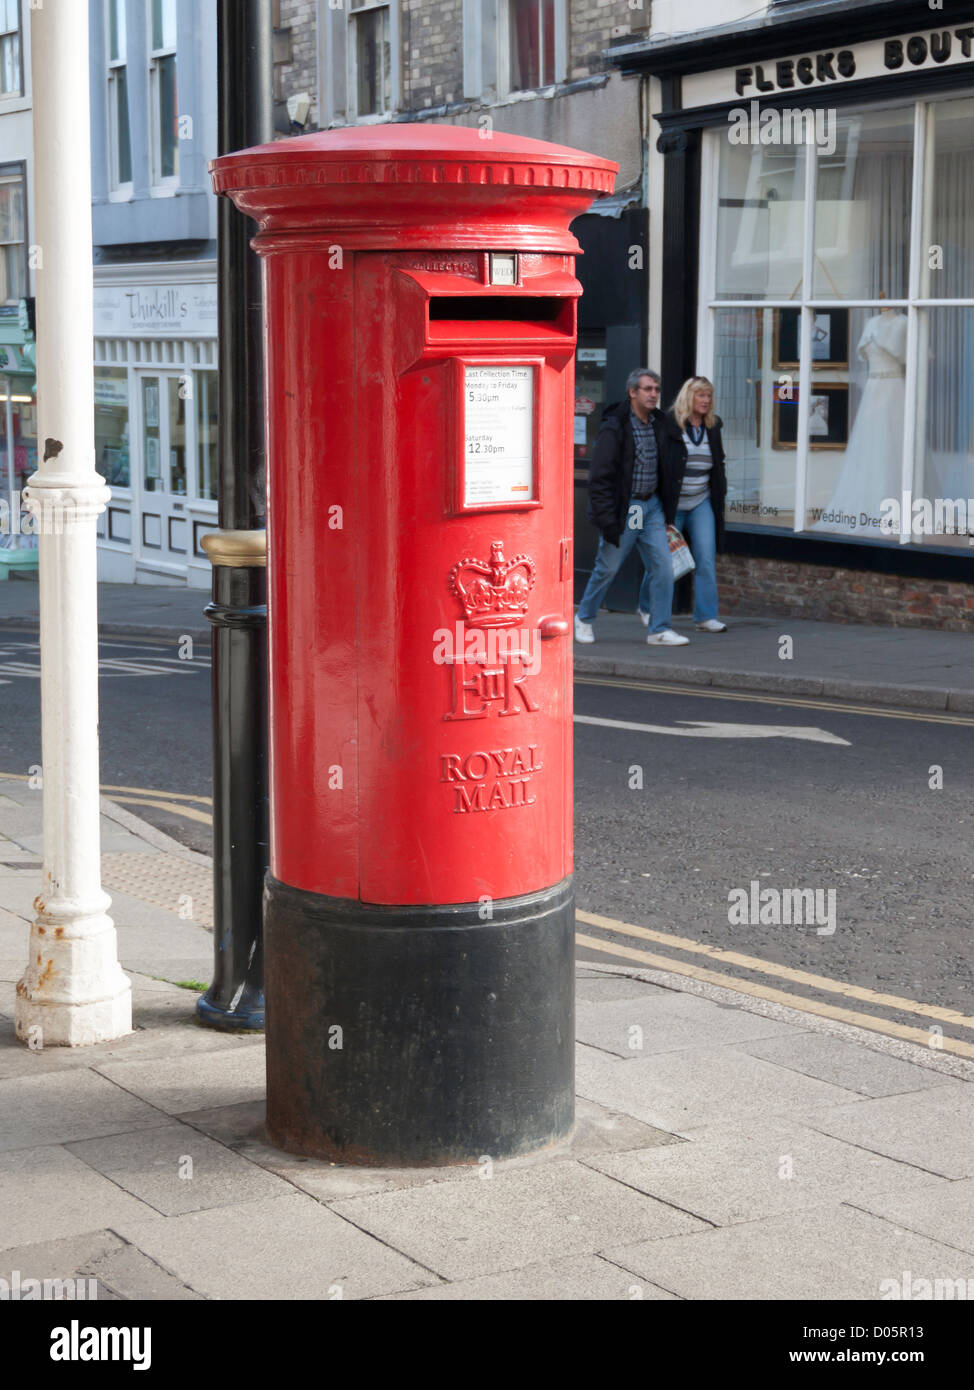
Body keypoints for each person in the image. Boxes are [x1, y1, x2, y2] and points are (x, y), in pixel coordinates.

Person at [574, 368, 689, 647]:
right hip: (631, 508)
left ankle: (659, 629)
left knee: (663, 567)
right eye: (647, 389)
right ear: (632, 392)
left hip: (653, 506)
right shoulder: (616, 426)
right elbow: (600, 476)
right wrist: (605, 518)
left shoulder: (659, 423)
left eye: (657, 390)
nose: (653, 394)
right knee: (609, 567)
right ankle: (584, 617)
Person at [637, 376, 728, 634]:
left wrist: (719, 495)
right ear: (689, 397)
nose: (706, 401)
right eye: (701, 395)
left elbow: (718, 463)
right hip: (672, 504)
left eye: (708, 396)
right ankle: (646, 606)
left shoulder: (713, 425)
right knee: (662, 560)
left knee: (705, 558)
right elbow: (659, 463)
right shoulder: (668, 424)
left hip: (701, 501)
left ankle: (705, 616)